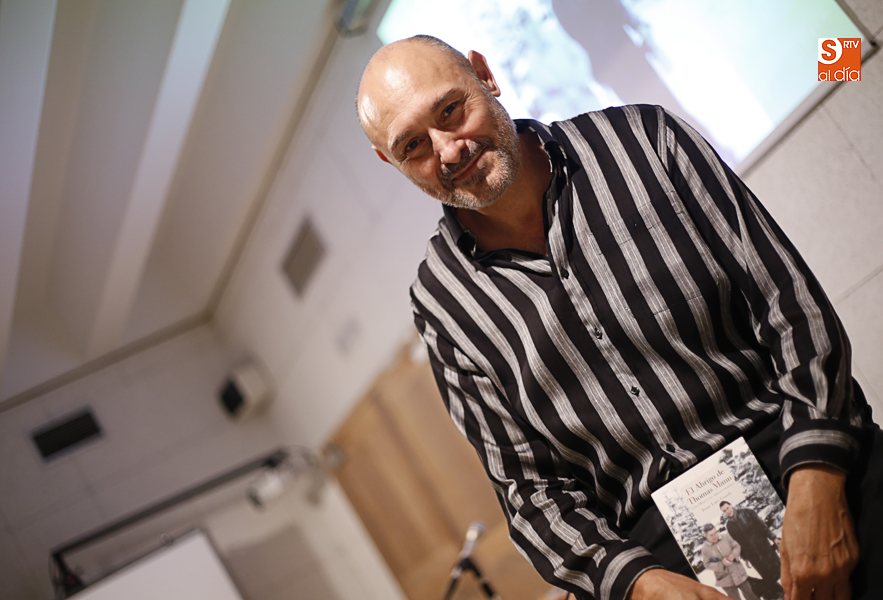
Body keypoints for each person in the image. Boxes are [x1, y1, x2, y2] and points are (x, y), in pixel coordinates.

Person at [356, 35, 882, 600]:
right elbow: (531, 492)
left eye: (451, 110)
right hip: (661, 558)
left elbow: (791, 308)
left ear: (484, 75)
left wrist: (818, 481)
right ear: (392, 162)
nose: (450, 150)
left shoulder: (647, 141)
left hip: (807, 461)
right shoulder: (440, 303)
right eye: (413, 145)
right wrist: (640, 584)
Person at [719, 501, 783, 599]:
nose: (727, 511)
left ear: (731, 505)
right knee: (768, 578)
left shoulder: (747, 512)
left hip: (765, 550)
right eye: (724, 511)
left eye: (727, 508)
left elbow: (762, 526)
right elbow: (737, 543)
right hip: (753, 557)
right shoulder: (729, 525)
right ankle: (780, 595)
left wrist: (773, 538)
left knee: (781, 571)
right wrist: (745, 558)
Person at [699, 524, 759, 600]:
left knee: (751, 595)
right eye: (711, 535)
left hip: (739, 573)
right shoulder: (705, 549)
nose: (715, 536)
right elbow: (707, 564)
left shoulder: (726, 537)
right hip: (725, 580)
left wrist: (733, 555)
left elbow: (737, 546)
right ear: (706, 536)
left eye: (715, 533)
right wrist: (721, 564)